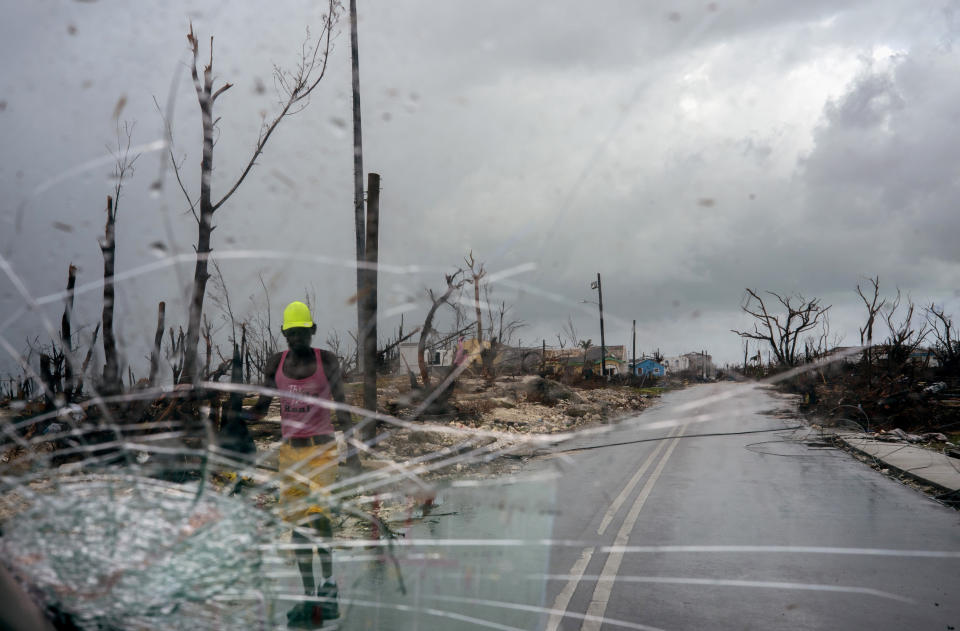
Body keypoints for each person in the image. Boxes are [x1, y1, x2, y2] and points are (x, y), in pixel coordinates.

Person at [244, 300, 361, 628]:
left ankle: (328, 582)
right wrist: (239, 416)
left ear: (312, 331)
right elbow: (262, 408)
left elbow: (342, 407)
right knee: (297, 525)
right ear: (284, 334)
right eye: (291, 333)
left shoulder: (327, 360)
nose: (296, 338)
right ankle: (309, 592)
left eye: (302, 332)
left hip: (322, 452)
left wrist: (353, 453)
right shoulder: (275, 363)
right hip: (290, 455)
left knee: (317, 515)